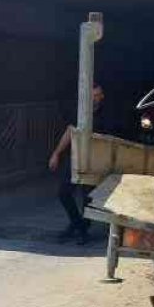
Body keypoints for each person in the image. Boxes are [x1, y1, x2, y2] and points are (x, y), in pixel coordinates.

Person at [48, 83, 110, 245]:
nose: (99, 98)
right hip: (76, 158)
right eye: (95, 95)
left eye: (100, 95)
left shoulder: (106, 115)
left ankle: (83, 230)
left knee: (87, 197)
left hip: (94, 160)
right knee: (64, 193)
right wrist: (56, 153)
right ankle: (77, 224)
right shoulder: (80, 113)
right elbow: (70, 132)